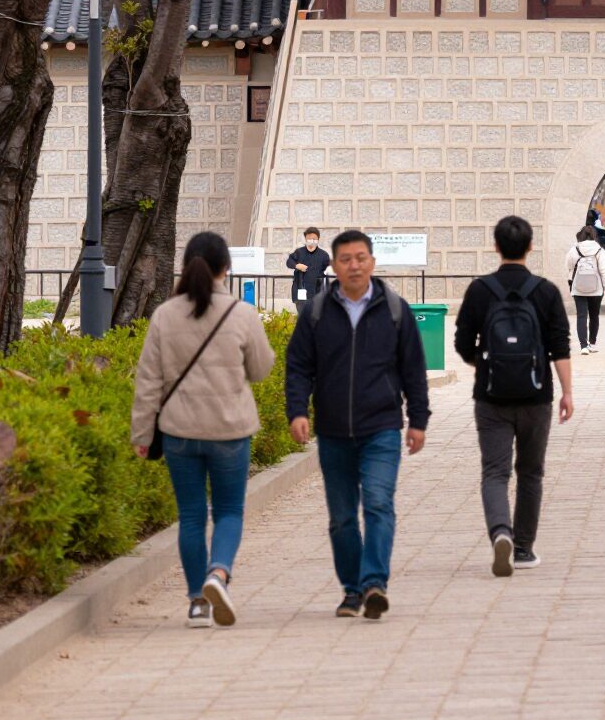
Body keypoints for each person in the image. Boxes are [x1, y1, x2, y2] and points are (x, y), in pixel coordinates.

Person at [285, 229, 430, 621]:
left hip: (382, 427)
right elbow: (298, 367)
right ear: (333, 266)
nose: (354, 265)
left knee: (379, 504)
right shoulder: (317, 313)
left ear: (372, 262)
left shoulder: (394, 310)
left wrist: (418, 421)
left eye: (361, 258)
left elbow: (413, 369)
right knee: (342, 518)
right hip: (333, 432)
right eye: (346, 259)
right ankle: (352, 590)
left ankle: (374, 583)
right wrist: (297, 411)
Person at [133, 231, 275, 628]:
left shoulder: (165, 315)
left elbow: (148, 381)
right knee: (229, 511)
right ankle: (219, 573)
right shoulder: (241, 314)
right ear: (225, 268)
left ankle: (198, 602)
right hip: (230, 431)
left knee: (191, 516)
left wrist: (142, 435)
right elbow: (260, 369)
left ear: (185, 266)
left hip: (179, 432)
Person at [455, 215, 574, 575]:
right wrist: (567, 392)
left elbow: (462, 344)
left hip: (490, 398)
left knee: (495, 471)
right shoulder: (546, 291)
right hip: (537, 397)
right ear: (530, 246)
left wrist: (487, 365)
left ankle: (500, 533)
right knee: (531, 473)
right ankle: (522, 549)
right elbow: (560, 347)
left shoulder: (480, 290)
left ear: (496, 246)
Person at [565, 224, 605, 353]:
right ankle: (592, 343)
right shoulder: (599, 250)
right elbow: (604, 269)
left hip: (578, 287)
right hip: (596, 289)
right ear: (594, 236)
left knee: (581, 316)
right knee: (594, 315)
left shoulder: (574, 249)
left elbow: (568, 265)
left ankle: (583, 346)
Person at [284, 226, 331, 305]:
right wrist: (297, 265)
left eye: (314, 239)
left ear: (318, 239)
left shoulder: (324, 255)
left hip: (317, 293)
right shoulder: (299, 252)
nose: (312, 241)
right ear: (305, 239)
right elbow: (289, 262)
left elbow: (329, 269)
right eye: (309, 238)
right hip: (300, 290)